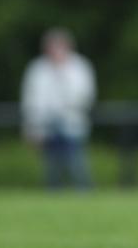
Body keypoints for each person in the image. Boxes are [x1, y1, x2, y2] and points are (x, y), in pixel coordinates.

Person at [20, 28, 96, 190]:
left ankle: (84, 193)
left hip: (72, 123)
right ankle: (53, 196)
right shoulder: (37, 69)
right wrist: (32, 127)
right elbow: (31, 101)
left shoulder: (79, 67)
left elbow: (86, 95)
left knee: (77, 164)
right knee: (51, 167)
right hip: (46, 125)